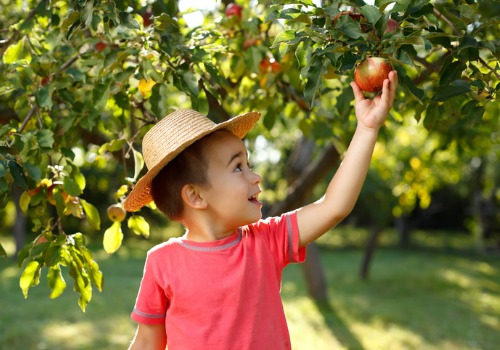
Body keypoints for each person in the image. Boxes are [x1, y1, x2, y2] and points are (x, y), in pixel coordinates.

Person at [125, 71, 398, 350]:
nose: (256, 177)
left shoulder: (266, 241)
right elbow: (148, 343)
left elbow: (333, 207)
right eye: (238, 167)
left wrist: (367, 128)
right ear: (195, 195)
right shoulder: (162, 263)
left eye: (248, 163)